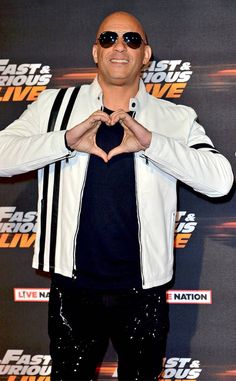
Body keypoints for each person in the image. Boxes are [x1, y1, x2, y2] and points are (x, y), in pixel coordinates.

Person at [0, 10, 233, 381]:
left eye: (132, 40)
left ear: (146, 54)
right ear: (95, 51)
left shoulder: (174, 117)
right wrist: (64, 141)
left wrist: (152, 143)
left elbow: (220, 181)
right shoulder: (53, 106)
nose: (119, 47)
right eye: (108, 39)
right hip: (73, 290)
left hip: (143, 293)